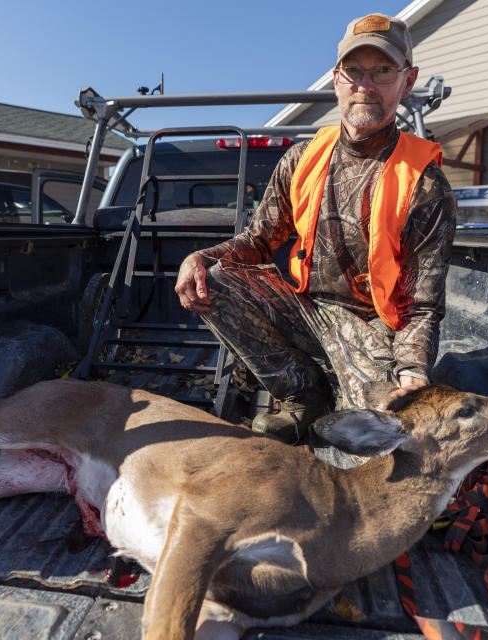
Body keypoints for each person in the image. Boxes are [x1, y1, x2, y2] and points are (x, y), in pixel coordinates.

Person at [174, 13, 456, 443]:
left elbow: (422, 305)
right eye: (353, 71)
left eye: (382, 71)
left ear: (408, 81)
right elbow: (257, 241)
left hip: (374, 330)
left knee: (377, 439)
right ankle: (303, 397)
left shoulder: (425, 185)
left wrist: (413, 372)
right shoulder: (302, 158)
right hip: (307, 310)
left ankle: (346, 395)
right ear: (336, 78)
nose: (365, 85)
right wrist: (201, 257)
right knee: (213, 279)